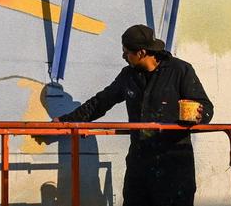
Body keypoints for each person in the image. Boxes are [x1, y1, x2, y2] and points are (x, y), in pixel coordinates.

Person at [58, 24, 213, 206]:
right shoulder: (128, 76)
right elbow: (101, 102)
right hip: (140, 165)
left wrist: (199, 115)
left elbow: (205, 107)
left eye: (126, 52)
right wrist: (65, 121)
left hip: (174, 165)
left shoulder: (180, 70)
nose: (123, 56)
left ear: (141, 52)